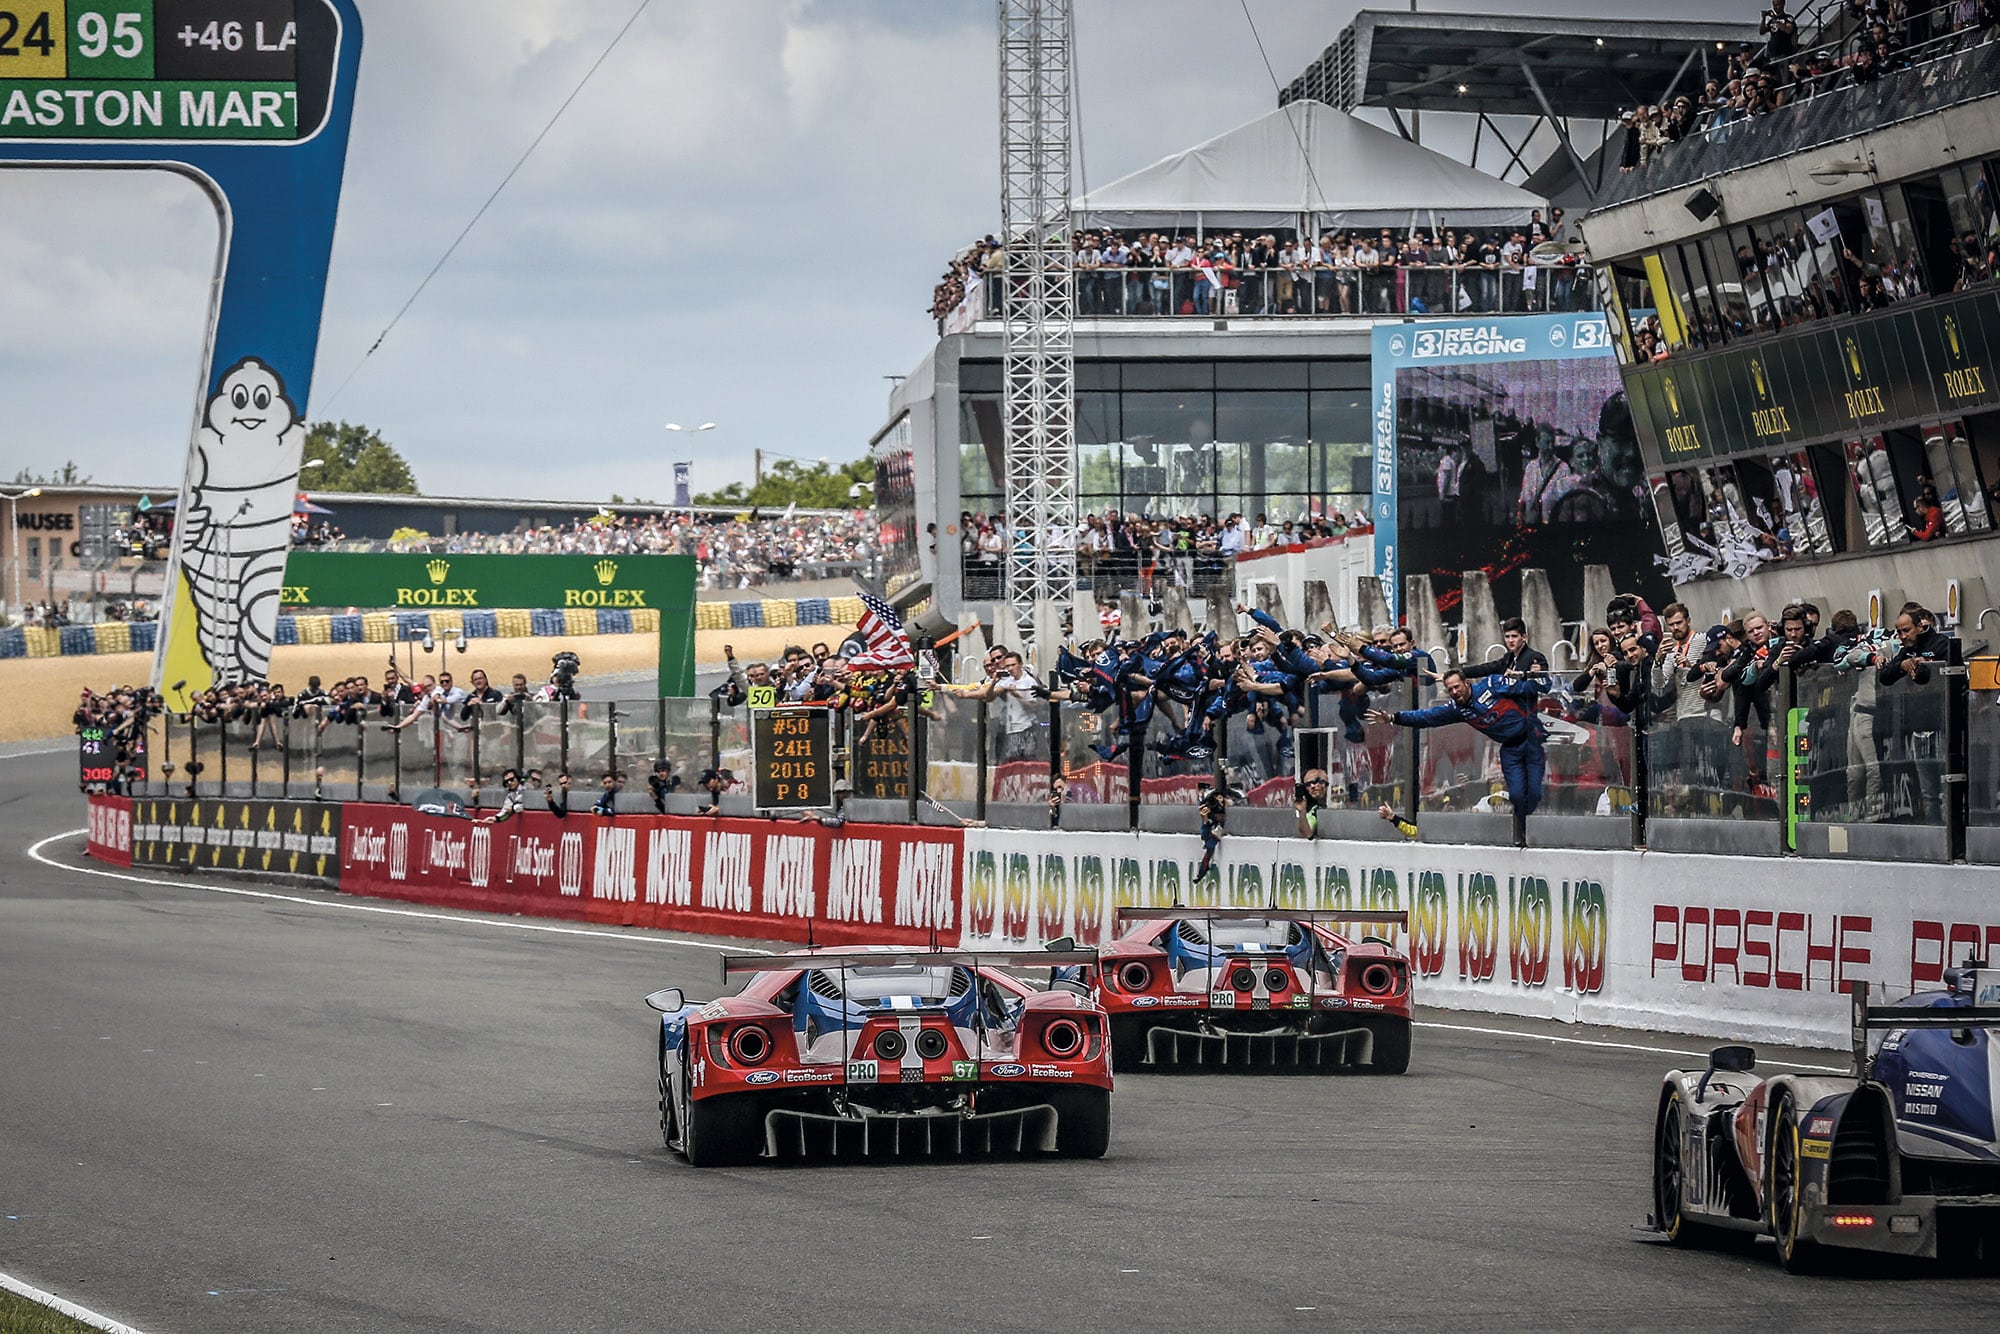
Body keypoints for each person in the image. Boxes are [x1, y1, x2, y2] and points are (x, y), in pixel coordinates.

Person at [1370, 667, 1551, 820]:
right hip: (1510, 750)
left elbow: (1529, 689)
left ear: (1467, 683)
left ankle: (1525, 827)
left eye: (1457, 687)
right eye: (1450, 690)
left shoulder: (1492, 684)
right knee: (1518, 796)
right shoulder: (1457, 709)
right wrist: (1393, 718)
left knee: (1534, 794)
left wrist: (1535, 676)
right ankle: (1519, 832)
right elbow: (1426, 717)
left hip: (1531, 742)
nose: (1455, 692)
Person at [1466, 618, 1550, 679]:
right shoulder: (1508, 658)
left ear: (1524, 637)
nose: (1510, 640)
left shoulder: (1535, 657)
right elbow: (1487, 668)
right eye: (1507, 637)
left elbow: (1544, 677)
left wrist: (1536, 673)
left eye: (1514, 636)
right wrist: (1461, 672)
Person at [1293, 768, 1330, 840]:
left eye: (1316, 781)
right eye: (1308, 785)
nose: (1312, 786)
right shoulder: (1313, 810)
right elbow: (1308, 834)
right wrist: (1302, 811)